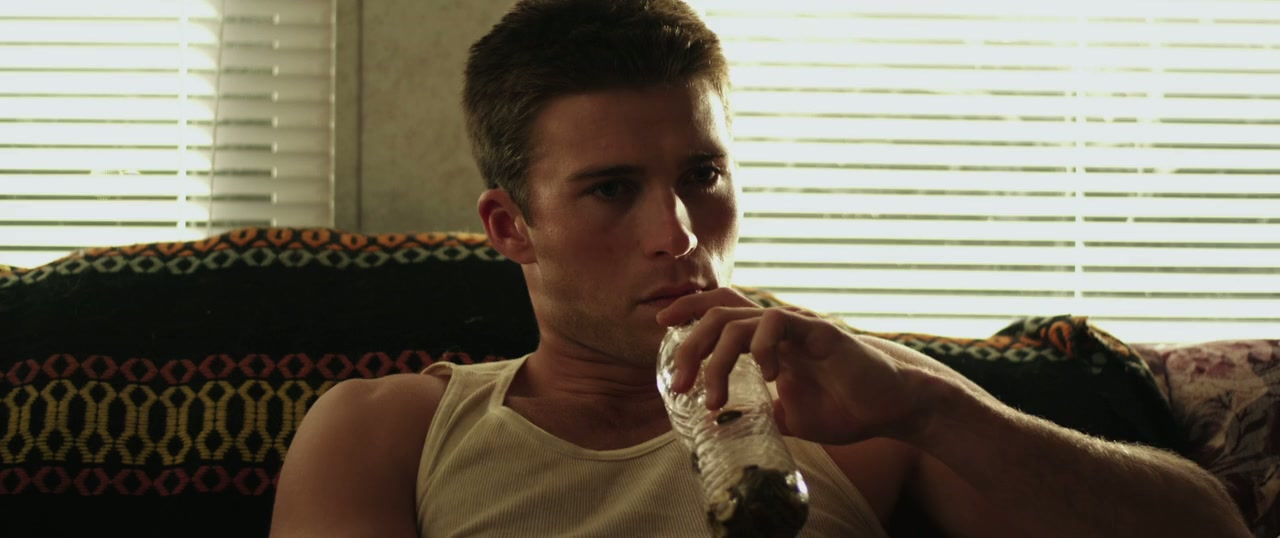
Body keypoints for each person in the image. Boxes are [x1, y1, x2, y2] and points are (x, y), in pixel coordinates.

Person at [270, 1, 1251, 536]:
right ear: (509, 226)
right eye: (611, 190)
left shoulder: (863, 406)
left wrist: (932, 408)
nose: (677, 234)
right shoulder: (386, 431)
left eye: (701, 176)